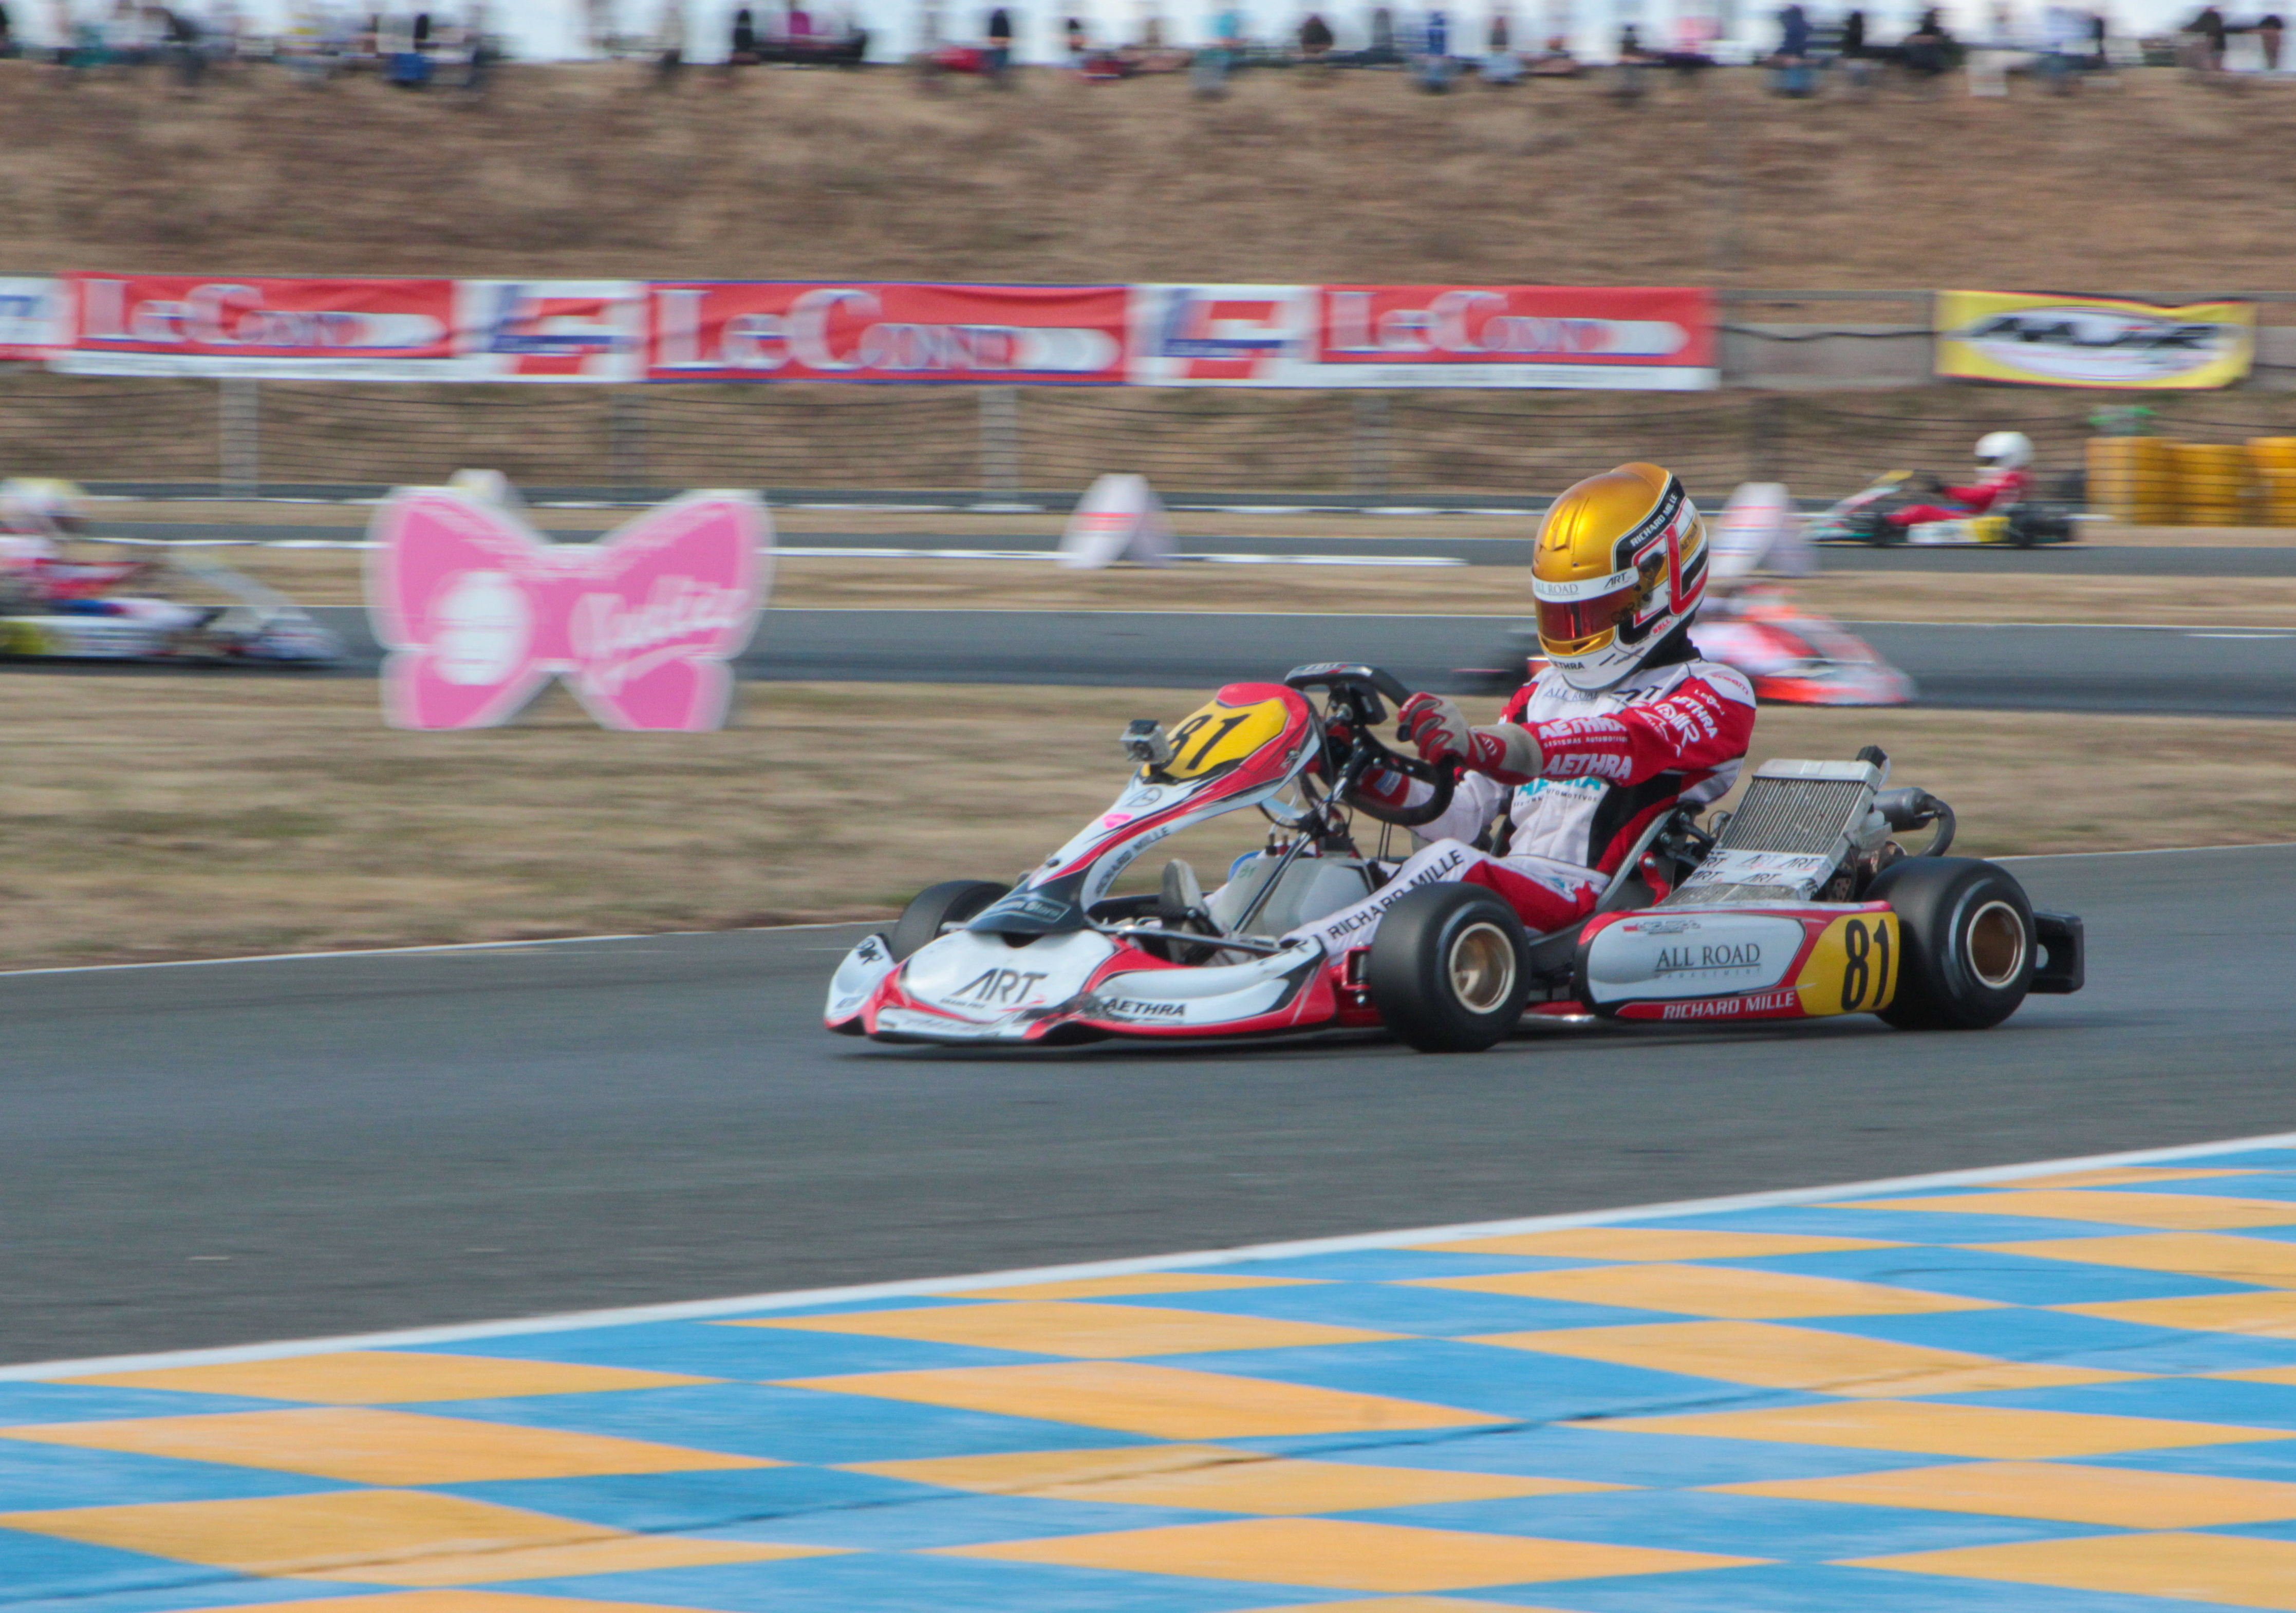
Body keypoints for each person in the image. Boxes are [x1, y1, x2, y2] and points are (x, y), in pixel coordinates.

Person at [1278, 463, 1756, 955]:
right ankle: (1217, 942)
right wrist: (1361, 768)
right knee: (1323, 873)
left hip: (1593, 904)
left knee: (1449, 865)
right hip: (1509, 889)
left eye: (1593, 613)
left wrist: (1481, 745)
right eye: (1562, 615)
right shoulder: (1542, 692)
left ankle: (1292, 962)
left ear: (1662, 589)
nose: (1574, 631)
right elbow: (1459, 817)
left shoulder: (1713, 693)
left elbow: (1620, 741)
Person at [1886, 431, 2033, 533]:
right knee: (1944, 509)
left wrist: (1946, 490)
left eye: (1990, 460)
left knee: (1921, 511)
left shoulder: (2012, 477)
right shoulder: (2018, 476)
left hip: (1985, 520)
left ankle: (1889, 524)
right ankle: (1896, 522)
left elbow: (1980, 497)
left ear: (2010, 456)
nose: (1986, 465)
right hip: (1986, 515)